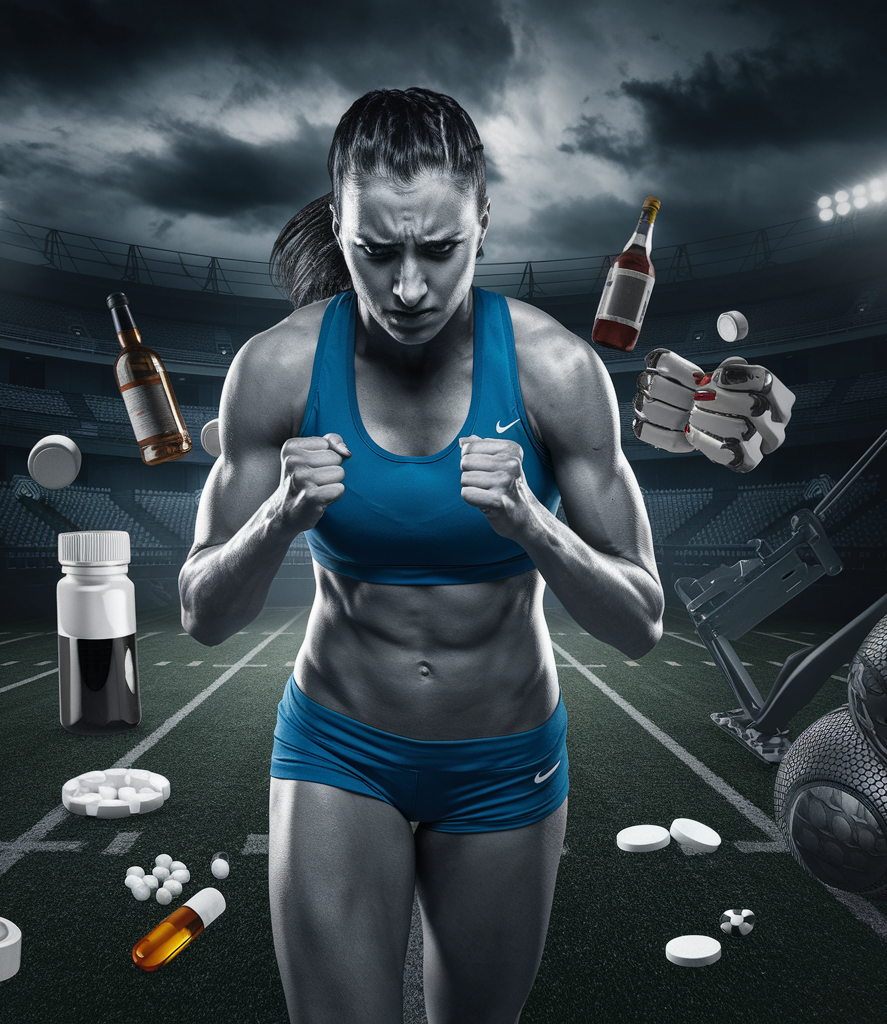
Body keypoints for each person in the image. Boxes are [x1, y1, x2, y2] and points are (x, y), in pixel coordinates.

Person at [179, 87, 664, 1024]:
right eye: (376, 251)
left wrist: (533, 521)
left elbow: (641, 621)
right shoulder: (276, 368)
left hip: (505, 759)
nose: (408, 287)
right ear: (338, 226)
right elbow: (202, 613)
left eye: (439, 250)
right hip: (338, 747)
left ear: (482, 221)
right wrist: (280, 514)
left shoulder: (556, 372)